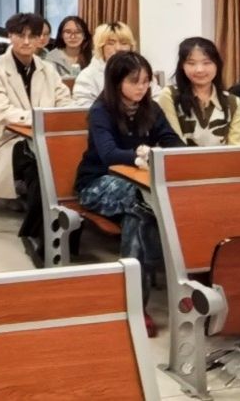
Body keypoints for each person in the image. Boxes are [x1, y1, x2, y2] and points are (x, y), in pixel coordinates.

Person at [75, 52, 182, 335]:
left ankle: (132, 303)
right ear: (116, 81)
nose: (142, 87)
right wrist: (141, 154)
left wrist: (167, 152)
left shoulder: (151, 108)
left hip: (139, 187)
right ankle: (145, 289)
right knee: (143, 202)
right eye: (135, 81)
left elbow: (173, 141)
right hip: (97, 184)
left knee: (140, 213)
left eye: (146, 81)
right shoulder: (101, 111)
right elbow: (109, 154)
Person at [0, 13, 73, 264]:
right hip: (3, 141)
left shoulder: (47, 69)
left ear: (41, 39)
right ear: (10, 36)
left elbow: (65, 101)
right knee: (38, 166)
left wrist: (52, 120)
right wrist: (40, 119)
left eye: (33, 36)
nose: (26, 42)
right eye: (20, 35)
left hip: (41, 137)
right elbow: (2, 112)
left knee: (63, 162)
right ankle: (42, 235)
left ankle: (45, 229)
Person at [157, 37, 240, 146]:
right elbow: (173, 144)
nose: (199, 69)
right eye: (191, 63)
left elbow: (237, 148)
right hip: (181, 157)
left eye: (206, 63)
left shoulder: (233, 102)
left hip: (225, 158)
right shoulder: (170, 95)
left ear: (217, 64)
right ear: (182, 66)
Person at [73, 22, 136, 106]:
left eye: (124, 43)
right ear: (100, 48)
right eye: (111, 43)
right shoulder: (87, 76)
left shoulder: (141, 72)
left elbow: (153, 101)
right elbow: (84, 109)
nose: (118, 48)